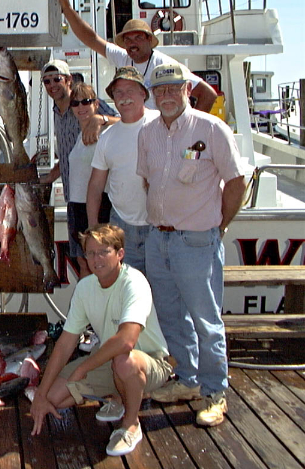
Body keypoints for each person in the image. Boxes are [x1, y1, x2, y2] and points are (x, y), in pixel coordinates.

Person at [137, 63, 246, 427]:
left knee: (206, 319)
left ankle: (215, 391)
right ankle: (186, 380)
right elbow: (148, 184)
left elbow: (235, 183)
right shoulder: (147, 132)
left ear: (187, 89)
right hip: (158, 238)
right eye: (160, 89)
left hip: (197, 240)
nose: (166, 95)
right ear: (153, 93)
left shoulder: (211, 128)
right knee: (170, 316)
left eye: (173, 88)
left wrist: (219, 225)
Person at [30, 224, 171, 457]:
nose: (96, 259)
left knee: (124, 361)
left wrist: (83, 368)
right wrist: (41, 395)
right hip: (107, 361)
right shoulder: (85, 287)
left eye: (104, 252)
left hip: (149, 362)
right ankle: (116, 396)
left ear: (120, 254)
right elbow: (66, 343)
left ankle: (130, 424)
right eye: (91, 253)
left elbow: (126, 341)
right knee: (54, 400)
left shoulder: (134, 282)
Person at [56, 0, 218, 113]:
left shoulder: (166, 65)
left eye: (138, 38)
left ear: (149, 40)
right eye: (128, 40)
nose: (132, 43)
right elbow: (91, 39)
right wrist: (67, 9)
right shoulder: (123, 58)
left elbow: (208, 94)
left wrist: (191, 129)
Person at [87, 67, 159, 273]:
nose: (124, 97)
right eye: (118, 92)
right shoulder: (108, 136)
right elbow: (95, 185)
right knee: (128, 290)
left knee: (164, 292)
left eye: (130, 90)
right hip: (121, 227)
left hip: (161, 227)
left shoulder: (162, 124)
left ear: (143, 94)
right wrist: (94, 229)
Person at [40, 60, 118, 196]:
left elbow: (123, 121)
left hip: (97, 195)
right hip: (72, 195)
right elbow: (68, 155)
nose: (52, 85)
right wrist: (50, 176)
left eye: (57, 79)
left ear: (69, 79)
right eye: (47, 81)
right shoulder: (56, 112)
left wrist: (100, 119)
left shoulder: (86, 103)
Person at [66, 81, 112, 278]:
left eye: (86, 101)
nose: (81, 107)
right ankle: (89, 308)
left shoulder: (105, 132)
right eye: (75, 104)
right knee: (83, 264)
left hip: (97, 207)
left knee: (100, 266)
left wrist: (102, 118)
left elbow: (131, 122)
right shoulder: (79, 136)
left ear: (96, 103)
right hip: (76, 207)